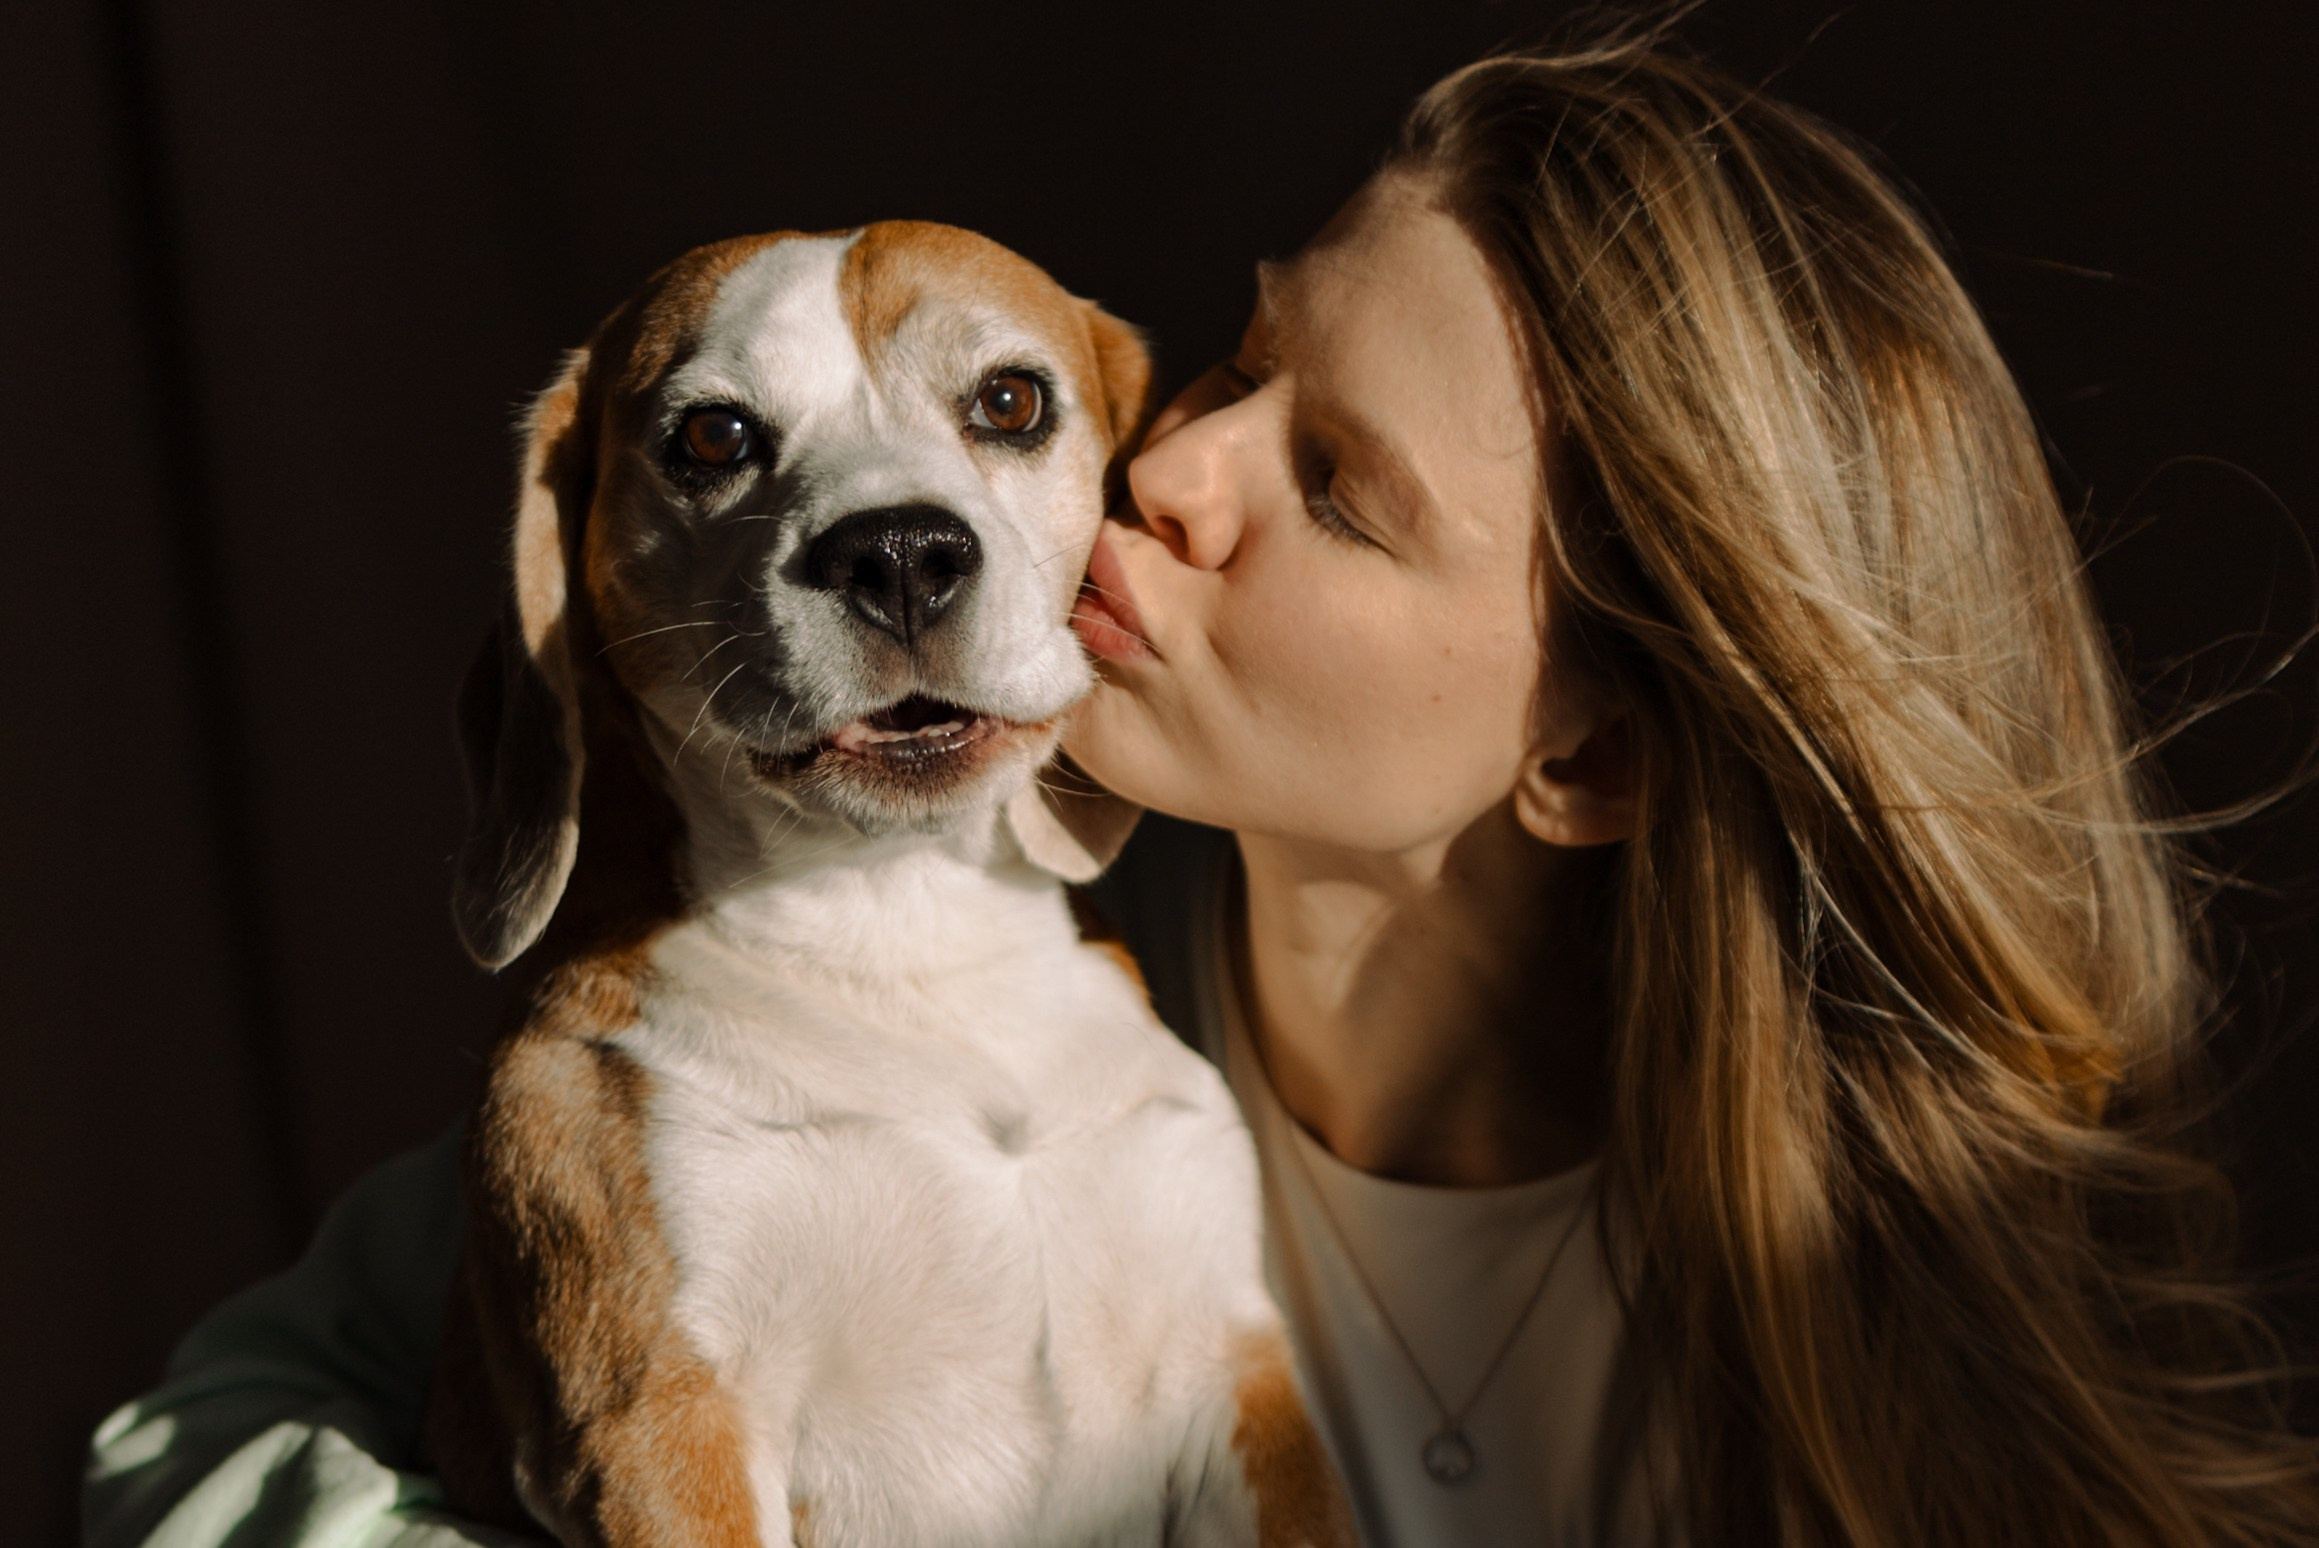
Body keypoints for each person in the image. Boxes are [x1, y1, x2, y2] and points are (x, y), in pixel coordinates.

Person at [86, 37, 2317, 1548]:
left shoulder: (1845, 1291)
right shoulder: (906, 1000)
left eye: (1332, 487)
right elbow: (191, 1439)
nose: (1167, 464)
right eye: (1246, 357)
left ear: (1594, 753)